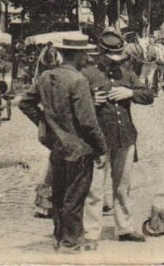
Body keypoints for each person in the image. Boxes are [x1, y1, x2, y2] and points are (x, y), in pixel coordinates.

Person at [19, 34, 107, 254]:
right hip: (79, 149)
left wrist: (46, 124)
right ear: (78, 55)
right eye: (85, 54)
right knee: (74, 198)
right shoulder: (79, 80)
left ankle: (59, 238)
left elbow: (25, 103)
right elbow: (88, 122)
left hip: (57, 147)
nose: (87, 58)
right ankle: (70, 243)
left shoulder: (46, 76)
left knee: (58, 195)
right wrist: (101, 148)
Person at [81, 30, 153, 247]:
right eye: (110, 57)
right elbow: (74, 103)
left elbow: (149, 95)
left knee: (123, 187)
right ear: (100, 53)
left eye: (118, 57)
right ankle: (91, 234)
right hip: (98, 140)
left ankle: (125, 228)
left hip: (125, 138)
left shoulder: (127, 74)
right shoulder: (87, 75)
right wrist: (90, 100)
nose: (115, 62)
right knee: (95, 189)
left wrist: (130, 93)